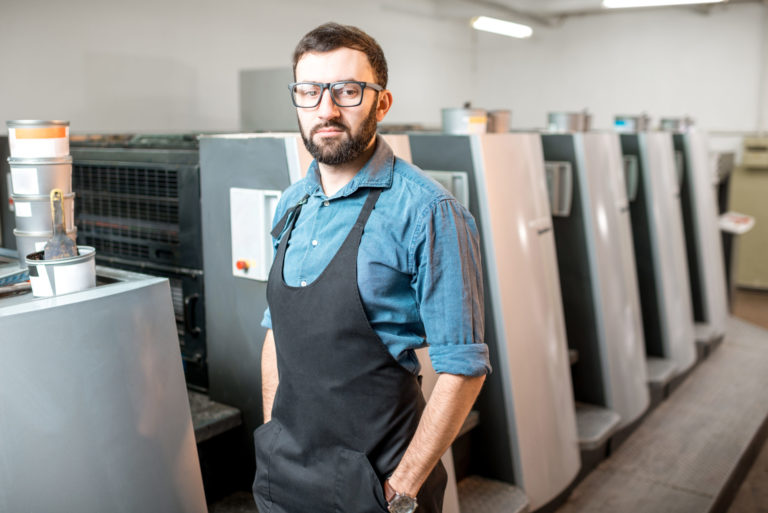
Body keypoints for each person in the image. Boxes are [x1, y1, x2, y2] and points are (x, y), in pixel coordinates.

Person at [255, 22, 491, 513]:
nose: (327, 109)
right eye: (310, 91)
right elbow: (277, 332)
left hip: (377, 485)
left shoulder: (429, 213)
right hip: (286, 476)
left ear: (382, 103)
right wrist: (272, 435)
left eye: (348, 91)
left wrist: (401, 489)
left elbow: (463, 370)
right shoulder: (292, 204)